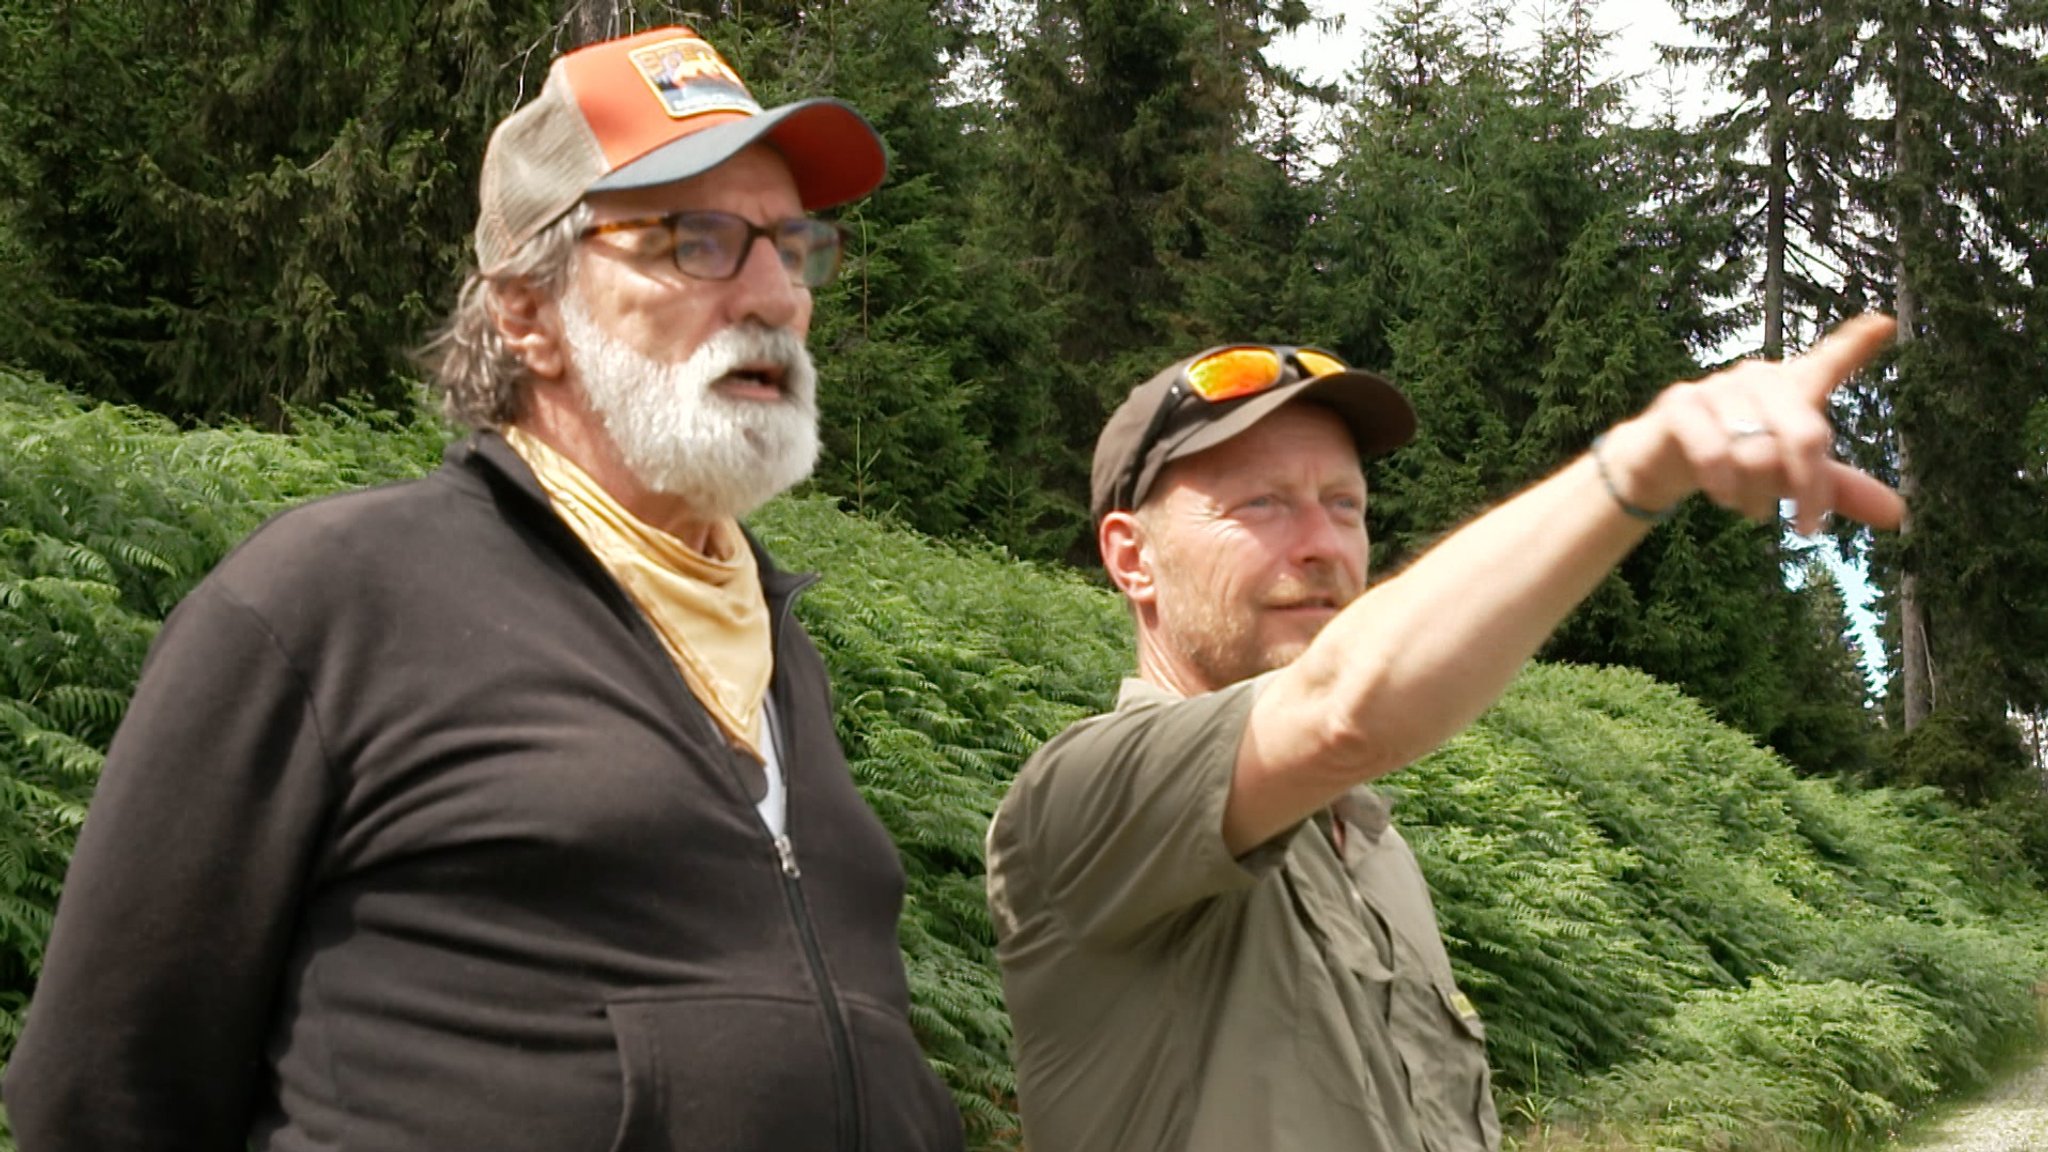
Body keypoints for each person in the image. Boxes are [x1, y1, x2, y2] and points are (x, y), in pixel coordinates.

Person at [5, 26, 965, 1152]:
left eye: (792, 244)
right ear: (525, 313)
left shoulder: (777, 647)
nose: (775, 294)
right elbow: (101, 1093)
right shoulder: (326, 604)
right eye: (698, 240)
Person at [984, 322, 1903, 1151]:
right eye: (1261, 504)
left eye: (1343, 505)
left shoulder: (1371, 849)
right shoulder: (1076, 805)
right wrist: (1640, 467)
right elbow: (1343, 707)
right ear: (1130, 557)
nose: (1321, 544)